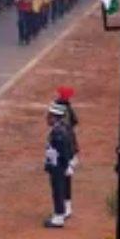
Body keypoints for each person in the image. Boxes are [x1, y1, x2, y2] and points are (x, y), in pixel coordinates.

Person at [43, 97, 73, 228]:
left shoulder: (59, 132)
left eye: (49, 116)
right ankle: (59, 213)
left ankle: (58, 216)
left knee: (58, 190)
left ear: (55, 117)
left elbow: (63, 150)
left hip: (58, 165)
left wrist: (66, 164)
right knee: (58, 189)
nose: (47, 118)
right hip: (58, 164)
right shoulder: (61, 128)